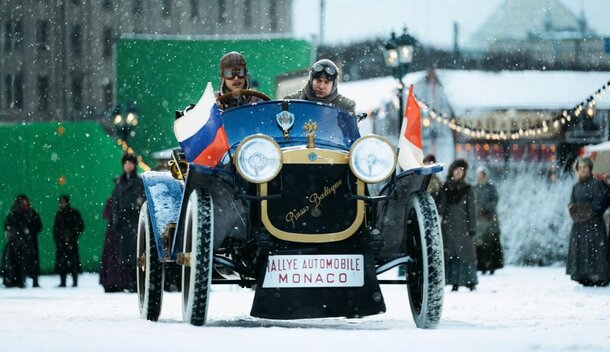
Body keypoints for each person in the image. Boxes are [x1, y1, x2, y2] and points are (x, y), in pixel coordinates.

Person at [566, 157, 610, 287]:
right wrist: (578, 211)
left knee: (594, 250)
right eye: (580, 168)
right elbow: (571, 205)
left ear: (590, 168)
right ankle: (583, 276)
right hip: (579, 225)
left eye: (585, 167)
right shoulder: (576, 187)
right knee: (581, 250)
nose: (582, 170)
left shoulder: (596, 184)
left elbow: (597, 205)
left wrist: (584, 211)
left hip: (593, 224)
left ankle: (597, 277)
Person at [436, 159, 478, 291]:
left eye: (461, 170)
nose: (459, 172)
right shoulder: (445, 187)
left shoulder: (468, 188)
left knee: (465, 254)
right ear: (452, 171)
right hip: (448, 227)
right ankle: (453, 281)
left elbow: (471, 209)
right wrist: (439, 194)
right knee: (450, 254)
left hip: (463, 226)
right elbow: (441, 209)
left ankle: (470, 281)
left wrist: (472, 227)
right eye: (456, 169)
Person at [110, 153, 145, 292]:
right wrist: (116, 220)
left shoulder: (139, 182)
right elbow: (115, 204)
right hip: (125, 223)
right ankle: (131, 282)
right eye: (126, 163)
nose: (128, 165)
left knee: (138, 253)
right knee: (127, 256)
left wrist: (134, 205)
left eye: (130, 163)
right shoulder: (120, 184)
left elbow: (141, 200)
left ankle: (137, 283)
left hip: (136, 221)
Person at [284, 59, 356, 114]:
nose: (321, 86)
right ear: (311, 81)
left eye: (326, 82)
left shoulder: (345, 107)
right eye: (318, 81)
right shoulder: (292, 101)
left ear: (334, 85)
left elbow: (350, 131)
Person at [2, 195, 42, 288]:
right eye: (21, 203)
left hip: (29, 242)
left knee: (31, 262)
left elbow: (38, 226)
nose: (23, 205)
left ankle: (33, 281)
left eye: (25, 202)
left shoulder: (31, 213)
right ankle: (15, 280)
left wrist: (29, 231)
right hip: (16, 243)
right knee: (14, 262)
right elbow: (7, 225)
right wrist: (13, 231)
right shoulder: (14, 213)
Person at [473, 166, 504, 275]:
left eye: (483, 176)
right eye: (479, 176)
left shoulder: (491, 188)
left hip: (490, 220)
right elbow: (471, 203)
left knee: (491, 244)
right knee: (480, 246)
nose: (481, 178)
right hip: (478, 222)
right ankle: (482, 266)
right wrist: (478, 209)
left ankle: (492, 266)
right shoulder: (474, 188)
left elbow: (495, 200)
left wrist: (486, 209)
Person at [53, 195, 85, 287]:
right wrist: (59, 239)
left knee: (72, 262)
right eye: (61, 202)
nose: (62, 204)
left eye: (63, 202)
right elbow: (56, 229)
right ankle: (63, 281)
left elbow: (80, 225)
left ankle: (74, 281)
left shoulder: (73, 213)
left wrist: (73, 234)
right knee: (63, 262)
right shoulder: (60, 214)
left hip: (71, 241)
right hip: (63, 242)